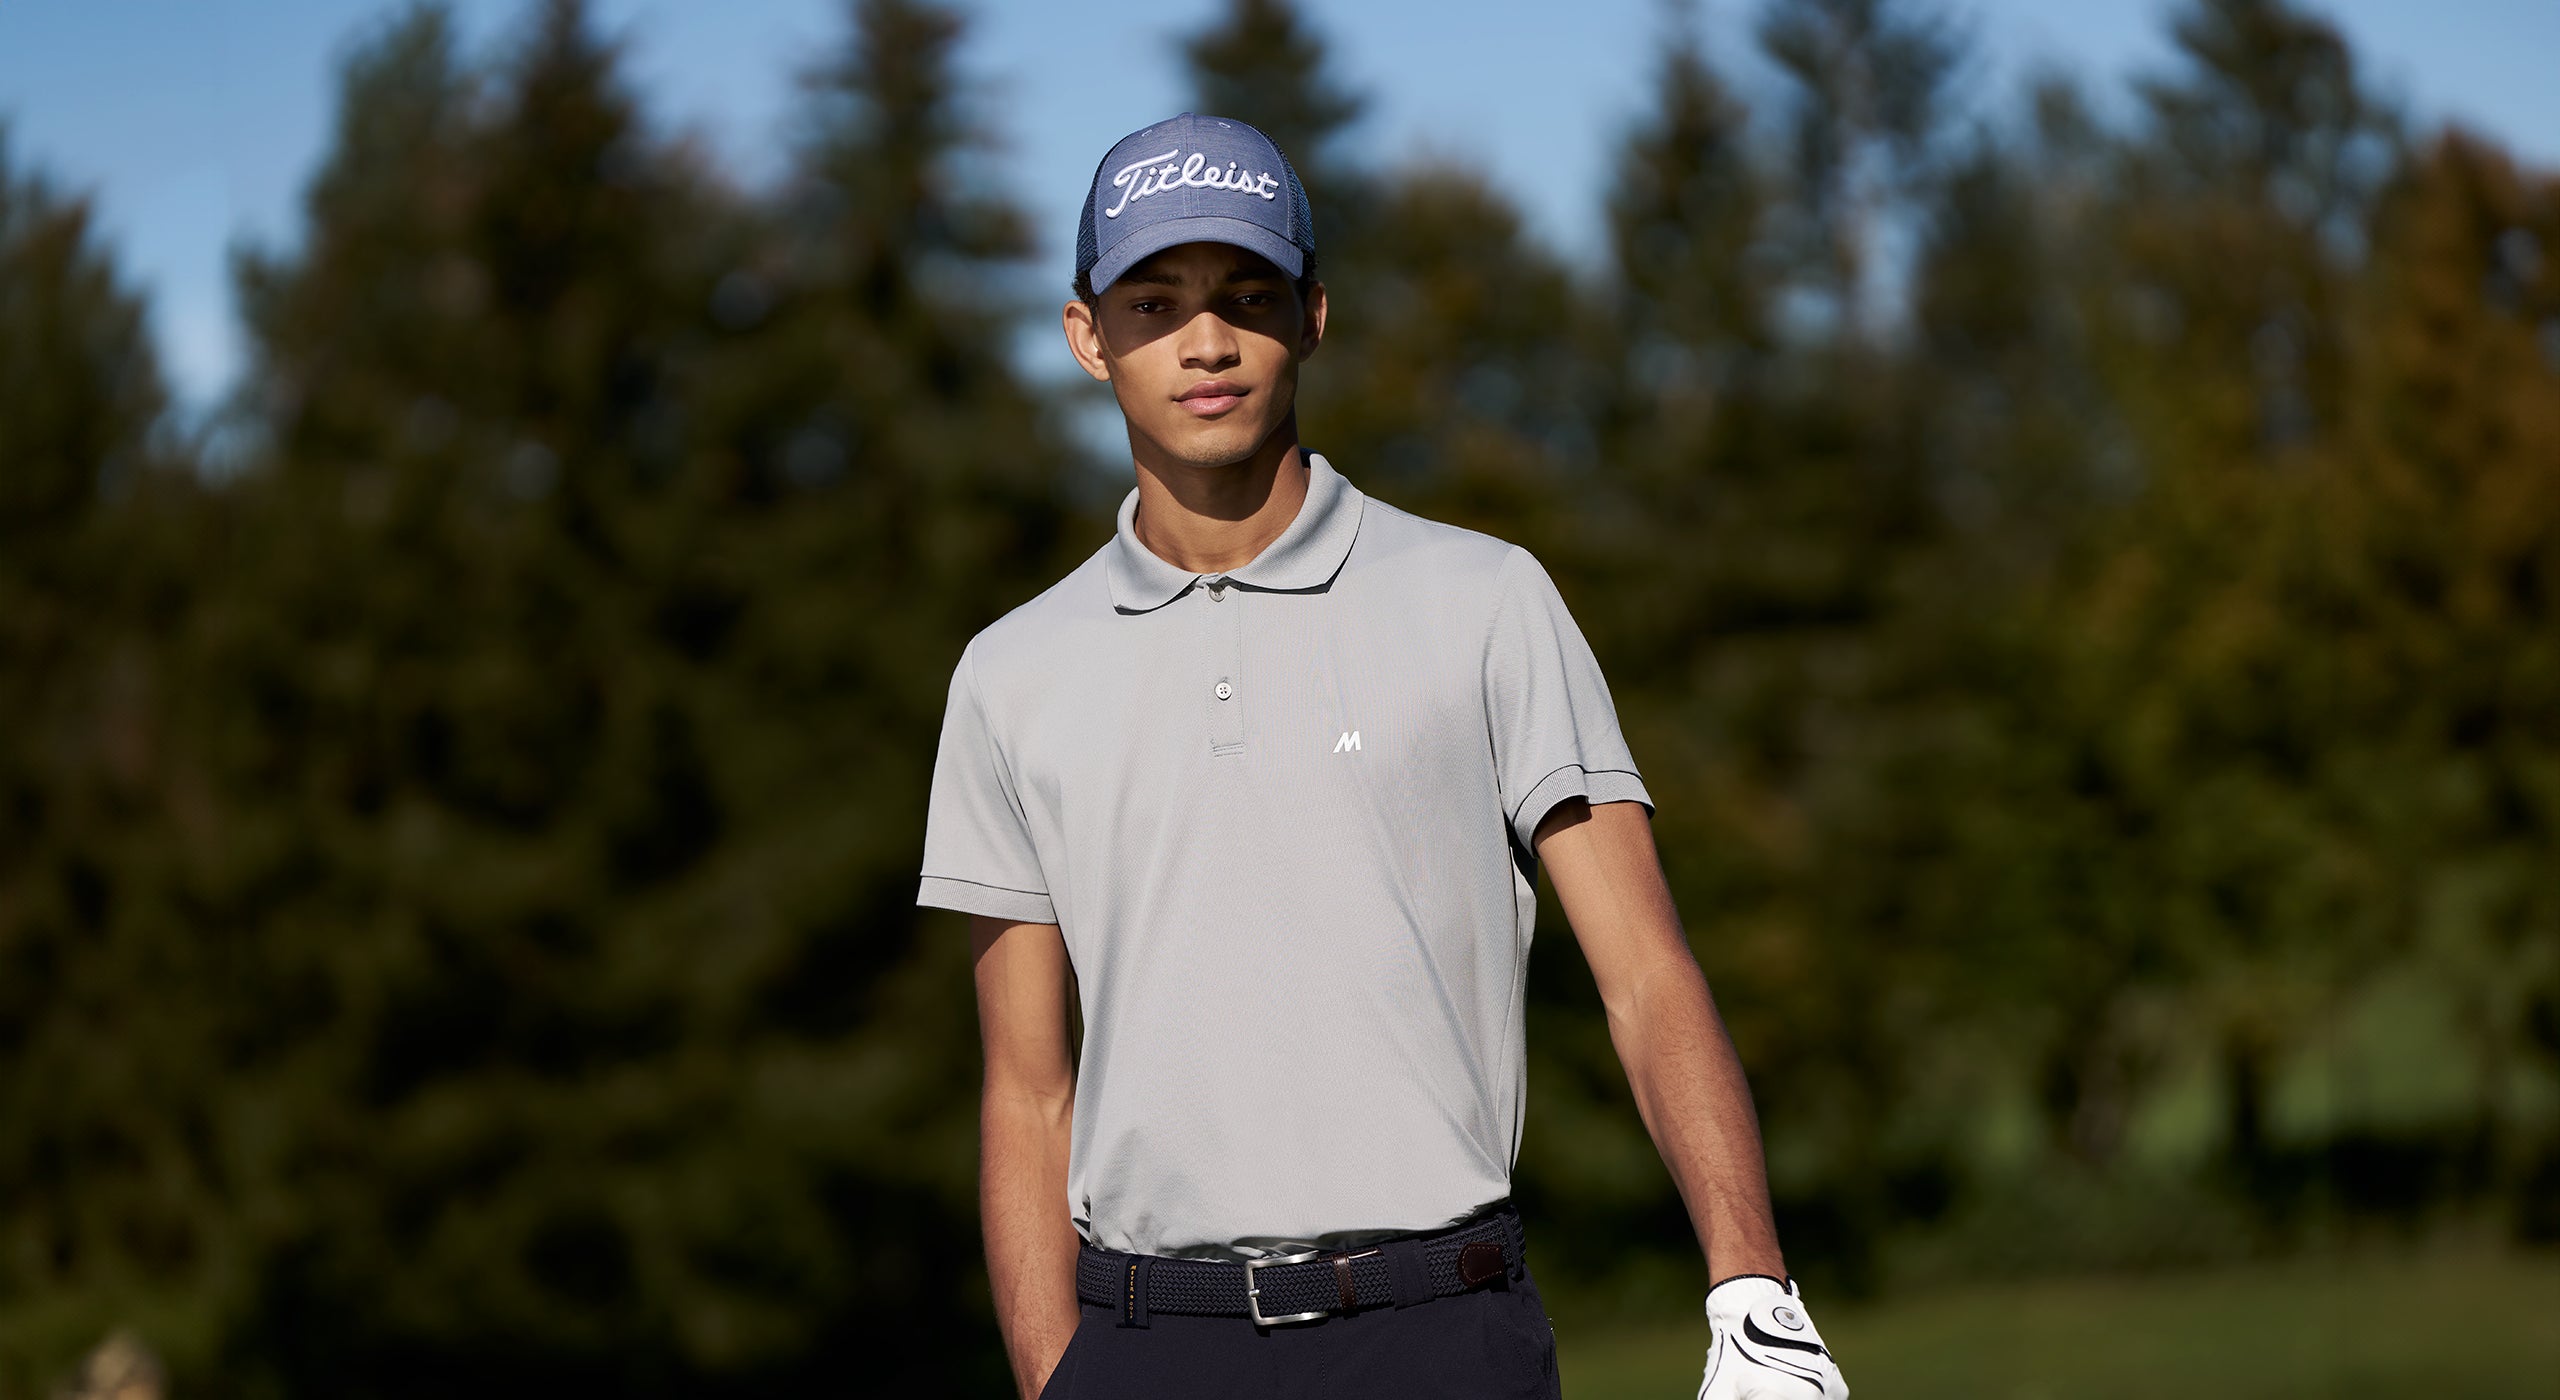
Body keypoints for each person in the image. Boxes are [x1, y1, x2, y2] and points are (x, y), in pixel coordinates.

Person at [920, 112, 1850, 1400]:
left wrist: (1752, 1288)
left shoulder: (1483, 599)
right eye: (1155, 302)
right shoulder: (1010, 675)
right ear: (1089, 338)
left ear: (1311, 314)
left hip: (1437, 1329)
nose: (1205, 342)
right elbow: (1026, 1092)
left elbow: (1643, 975)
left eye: (1247, 294)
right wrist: (1051, 1382)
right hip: (1148, 1345)